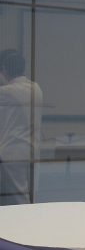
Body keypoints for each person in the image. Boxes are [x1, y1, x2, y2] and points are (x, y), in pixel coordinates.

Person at [0, 49, 43, 205]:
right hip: (31, 151)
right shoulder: (36, 88)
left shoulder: (8, 91)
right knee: (27, 196)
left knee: (18, 200)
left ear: (4, 68)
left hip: (11, 154)